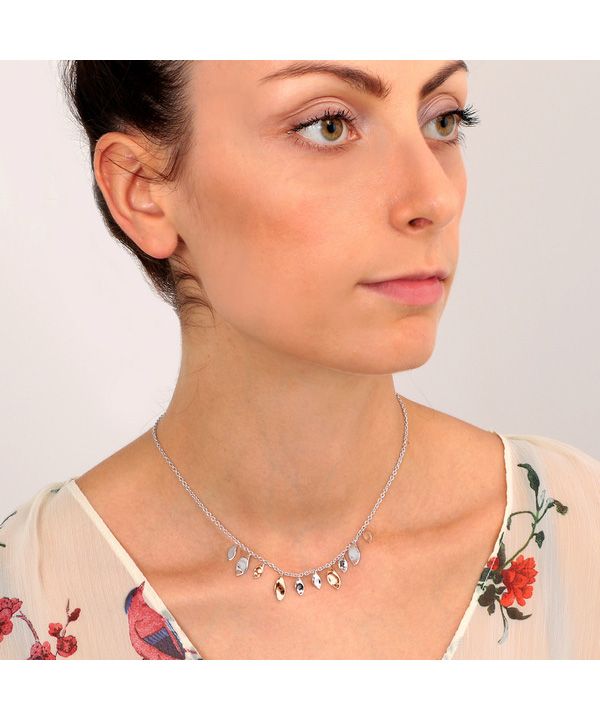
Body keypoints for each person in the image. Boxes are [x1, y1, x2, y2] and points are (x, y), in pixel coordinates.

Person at [1, 60, 599, 660]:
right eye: (328, 125)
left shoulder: (575, 531)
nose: (434, 198)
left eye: (443, 120)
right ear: (142, 190)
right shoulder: (32, 600)